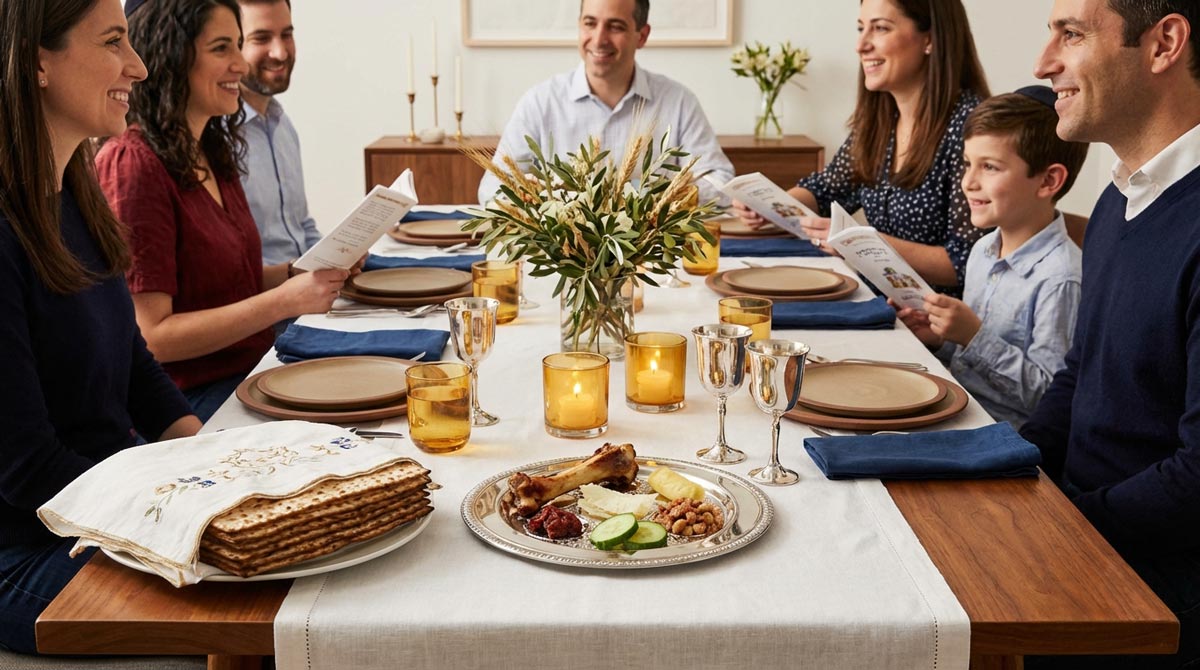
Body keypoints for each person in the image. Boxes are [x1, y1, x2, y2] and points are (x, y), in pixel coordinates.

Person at [0, 0, 202, 653]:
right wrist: (177, 508)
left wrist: (211, 457)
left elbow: (135, 363)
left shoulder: (74, 194)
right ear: (37, 62)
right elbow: (29, 470)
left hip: (97, 513)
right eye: (114, 41)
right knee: (258, 590)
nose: (138, 67)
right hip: (27, 552)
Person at [1021, 1, 1200, 667]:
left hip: (1150, 600)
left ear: (1163, 45)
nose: (1043, 65)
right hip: (1087, 541)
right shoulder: (1120, 198)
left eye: (1071, 35)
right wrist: (1007, 464)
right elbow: (1082, 369)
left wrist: (1058, 527)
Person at [96, 0, 347, 422]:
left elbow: (227, 282)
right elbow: (152, 335)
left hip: (254, 373)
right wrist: (281, 302)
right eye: (221, 49)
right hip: (191, 403)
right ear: (173, 57)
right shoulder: (134, 164)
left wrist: (295, 274)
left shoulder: (213, 149)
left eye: (237, 46)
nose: (239, 64)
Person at [735, 0, 989, 295]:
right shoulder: (880, 121)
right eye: (860, 28)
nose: (861, 45)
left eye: (880, 28)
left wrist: (863, 245)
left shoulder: (972, 127)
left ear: (930, 39)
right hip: (878, 300)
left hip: (933, 326)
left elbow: (967, 261)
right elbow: (825, 190)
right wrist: (769, 205)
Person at [894, 87, 1088, 427]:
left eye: (990, 167)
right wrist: (942, 338)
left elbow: (1049, 396)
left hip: (1005, 439)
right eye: (968, 164)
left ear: (1048, 180)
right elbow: (969, 364)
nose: (968, 182)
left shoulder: (1061, 277)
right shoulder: (982, 251)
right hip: (957, 412)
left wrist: (972, 336)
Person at [477, 0, 733, 205]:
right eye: (590, 23)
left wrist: (647, 200)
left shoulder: (679, 102)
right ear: (579, 27)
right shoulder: (540, 102)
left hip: (655, 260)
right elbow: (491, 190)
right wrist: (552, 205)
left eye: (616, 26)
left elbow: (720, 181)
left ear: (642, 36)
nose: (599, 39)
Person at [236, 0, 319, 267]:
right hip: (265, 302)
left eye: (287, 34)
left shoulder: (283, 125)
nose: (281, 53)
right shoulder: (214, 139)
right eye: (261, 38)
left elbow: (302, 226)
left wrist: (341, 257)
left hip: (306, 294)